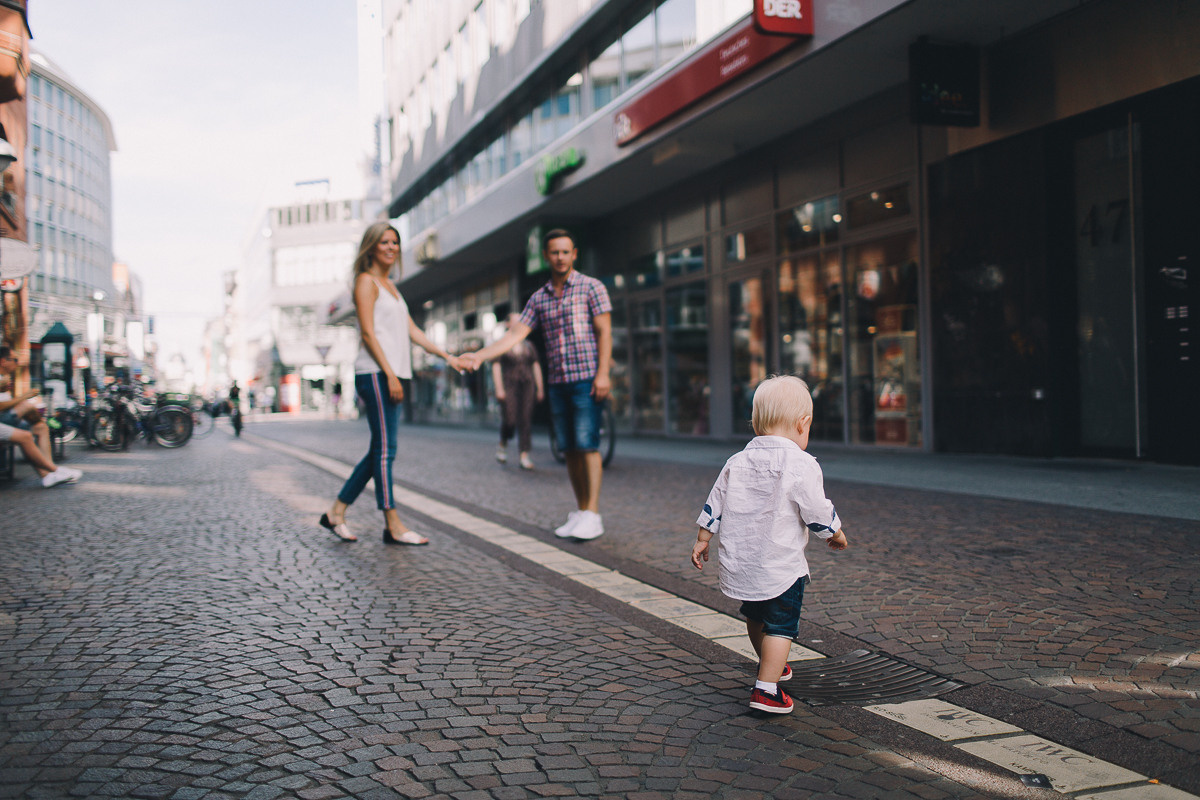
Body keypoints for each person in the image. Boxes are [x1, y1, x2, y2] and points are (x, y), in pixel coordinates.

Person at [691, 375, 848, 715]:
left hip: (744, 561)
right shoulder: (802, 463)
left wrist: (704, 538)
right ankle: (766, 689)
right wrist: (834, 532)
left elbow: (714, 501)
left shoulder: (736, 461)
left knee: (755, 614)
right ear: (802, 423)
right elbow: (816, 508)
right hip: (781, 565)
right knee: (781, 625)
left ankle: (770, 665)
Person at [319, 221, 466, 545]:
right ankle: (393, 524)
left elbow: (413, 331)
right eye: (384, 242)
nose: (391, 248)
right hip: (374, 373)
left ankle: (336, 512)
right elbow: (369, 333)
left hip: (389, 372)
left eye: (395, 242)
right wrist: (388, 374)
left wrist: (447, 356)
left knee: (380, 450)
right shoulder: (365, 282)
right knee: (386, 451)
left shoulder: (390, 286)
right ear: (371, 247)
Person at [463, 229, 612, 540]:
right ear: (546, 256)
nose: (560, 257)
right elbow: (514, 336)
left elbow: (604, 333)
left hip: (586, 379)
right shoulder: (540, 298)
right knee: (569, 448)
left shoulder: (591, 287)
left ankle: (593, 514)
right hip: (558, 382)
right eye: (554, 252)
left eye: (565, 252)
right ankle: (582, 510)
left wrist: (602, 374)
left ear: (574, 255)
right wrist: (479, 356)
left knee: (587, 445)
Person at [0, 346, 81, 487]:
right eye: (14, 359)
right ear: (3, 361)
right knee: (26, 419)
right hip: (3, 420)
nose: (17, 363)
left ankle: (48, 474)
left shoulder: (5, 379)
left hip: (7, 420)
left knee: (41, 427)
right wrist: (25, 397)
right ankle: (53, 470)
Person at [491, 314, 544, 470]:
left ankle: (524, 454)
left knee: (526, 419)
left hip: (527, 384)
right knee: (510, 419)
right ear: (508, 324)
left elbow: (535, 366)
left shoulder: (528, 345)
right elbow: (496, 366)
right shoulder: (502, 344)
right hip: (509, 385)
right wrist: (499, 388)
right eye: (517, 320)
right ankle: (503, 442)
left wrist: (540, 388)